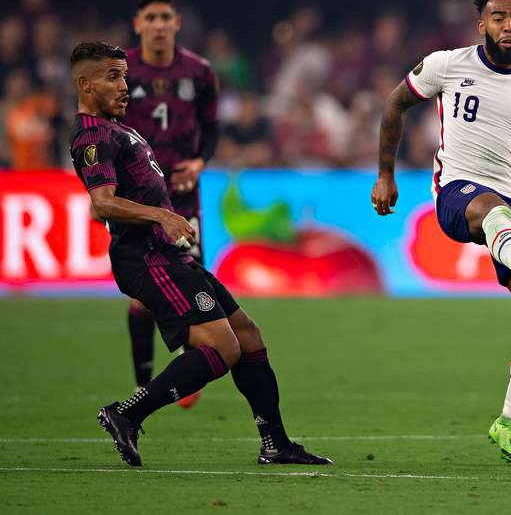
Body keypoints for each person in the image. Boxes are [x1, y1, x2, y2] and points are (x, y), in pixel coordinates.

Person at [68, 41, 332, 468]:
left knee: (247, 336)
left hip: (170, 256)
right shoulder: (93, 136)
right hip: (148, 259)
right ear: (84, 84)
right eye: (112, 77)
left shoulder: (121, 129)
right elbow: (101, 203)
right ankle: (127, 413)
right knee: (223, 348)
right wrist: (161, 216)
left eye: (124, 75)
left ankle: (276, 444)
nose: (124, 86)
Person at [372, 0, 511, 466]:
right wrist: (386, 175)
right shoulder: (446, 64)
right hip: (458, 190)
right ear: (482, 24)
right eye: (499, 17)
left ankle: (508, 422)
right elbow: (394, 104)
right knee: (491, 210)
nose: (508, 25)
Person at [121, 0, 220, 408]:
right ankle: (143, 382)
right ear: (138, 24)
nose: (159, 25)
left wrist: (199, 162)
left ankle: (187, 362)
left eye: (166, 17)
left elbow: (212, 130)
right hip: (140, 199)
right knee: (142, 297)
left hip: (184, 195)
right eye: (152, 17)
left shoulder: (199, 72)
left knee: (193, 279)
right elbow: (105, 130)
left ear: (177, 23)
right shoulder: (120, 72)